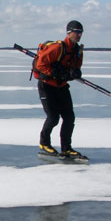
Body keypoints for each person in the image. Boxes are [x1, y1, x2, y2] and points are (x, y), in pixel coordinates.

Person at [32, 20, 85, 158]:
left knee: (69, 117)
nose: (79, 35)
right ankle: (44, 143)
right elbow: (40, 65)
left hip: (61, 86)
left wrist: (75, 73)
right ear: (69, 33)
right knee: (53, 117)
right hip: (47, 86)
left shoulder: (77, 51)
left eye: (81, 33)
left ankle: (66, 148)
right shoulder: (57, 48)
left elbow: (76, 67)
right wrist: (55, 72)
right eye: (76, 32)